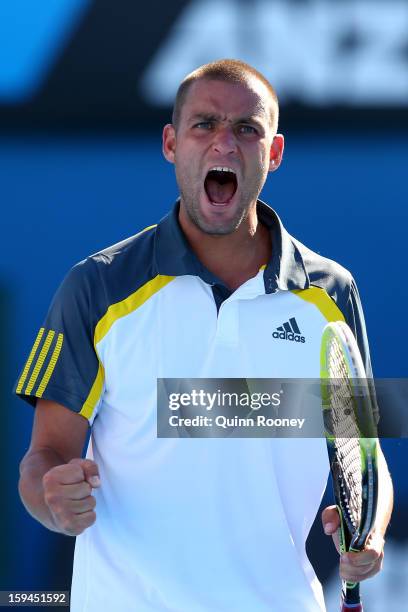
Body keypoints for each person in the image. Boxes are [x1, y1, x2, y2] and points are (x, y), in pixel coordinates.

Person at [15, 59, 393, 611]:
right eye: (204, 124)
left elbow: (364, 451)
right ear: (171, 143)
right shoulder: (95, 286)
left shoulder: (332, 293)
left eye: (247, 128)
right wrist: (53, 500)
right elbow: (43, 457)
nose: (224, 143)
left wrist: (371, 534)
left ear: (275, 152)